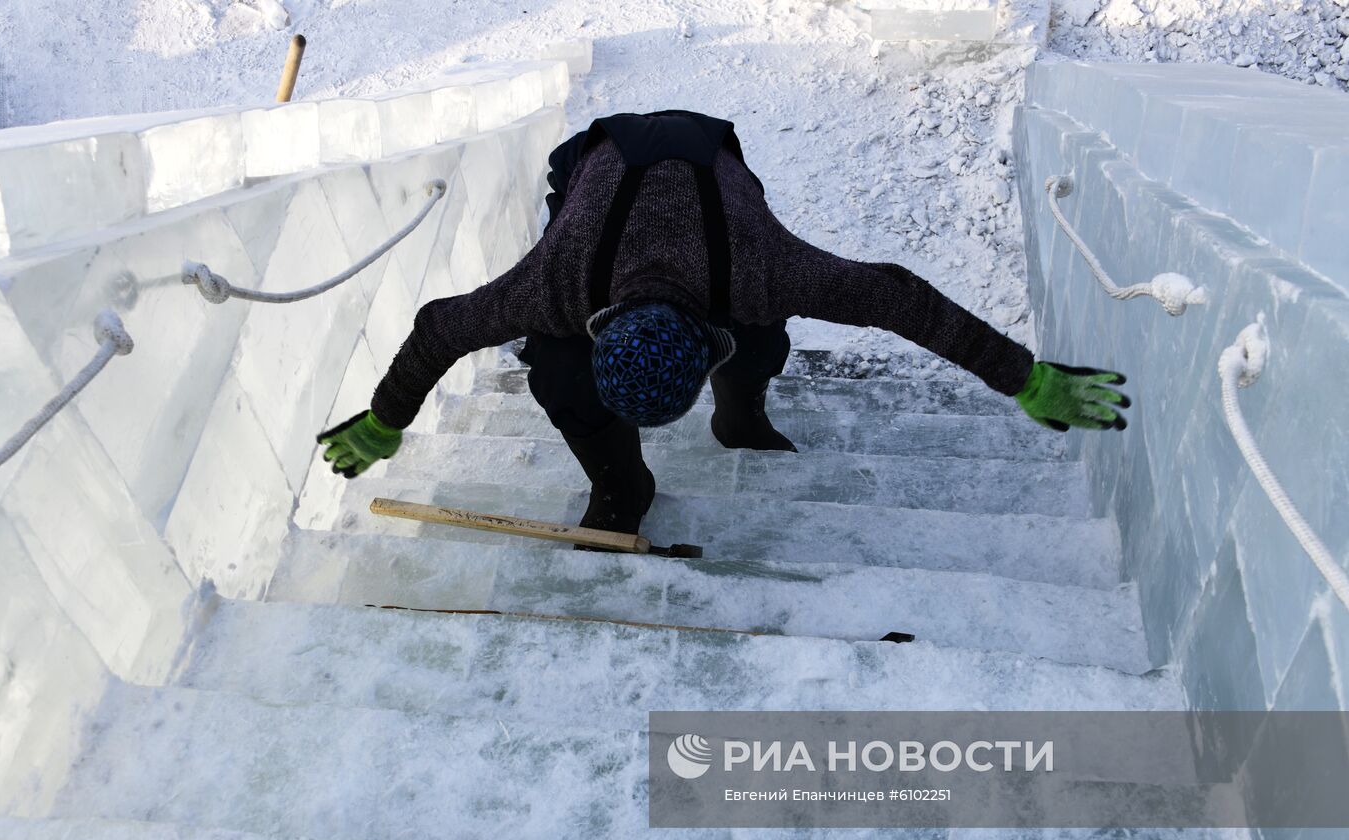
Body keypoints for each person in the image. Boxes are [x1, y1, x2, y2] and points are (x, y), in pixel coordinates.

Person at [319, 109, 1129, 539]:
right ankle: (621, 480)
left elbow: (895, 295)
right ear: (596, 322)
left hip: (710, 165)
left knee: (768, 331)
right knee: (554, 373)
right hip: (597, 166)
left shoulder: (760, 266)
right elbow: (438, 326)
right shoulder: (555, 284)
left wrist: (1024, 374)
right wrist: (385, 419)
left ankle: (740, 414)